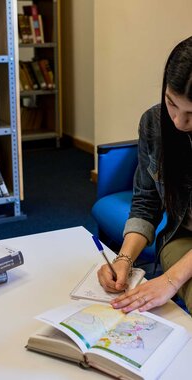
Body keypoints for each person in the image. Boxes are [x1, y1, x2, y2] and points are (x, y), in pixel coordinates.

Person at [97, 36, 192, 314]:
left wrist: (170, 280)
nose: (178, 122)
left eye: (191, 113)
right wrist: (124, 260)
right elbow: (146, 202)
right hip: (183, 238)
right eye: (171, 104)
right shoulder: (153, 123)